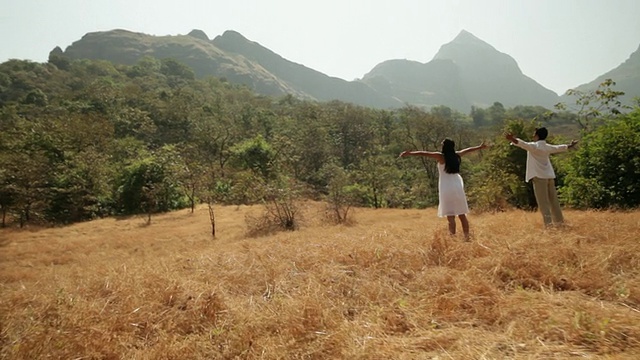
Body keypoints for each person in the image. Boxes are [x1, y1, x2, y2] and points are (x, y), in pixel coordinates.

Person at [399, 139, 489, 240]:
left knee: (450, 216)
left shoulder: (441, 157)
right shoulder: (457, 155)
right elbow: (468, 150)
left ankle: (452, 238)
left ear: (444, 146)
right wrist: (480, 147)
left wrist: (410, 153)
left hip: (446, 187)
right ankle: (467, 237)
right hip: (457, 186)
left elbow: (424, 153)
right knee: (462, 214)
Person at [505, 127, 578, 227]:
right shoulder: (547, 147)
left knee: (543, 203)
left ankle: (548, 225)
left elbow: (522, 144)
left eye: (534, 134)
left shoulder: (534, 147)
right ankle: (560, 223)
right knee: (554, 201)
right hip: (549, 176)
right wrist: (570, 145)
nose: (533, 136)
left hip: (539, 178)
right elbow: (558, 148)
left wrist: (512, 139)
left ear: (537, 136)